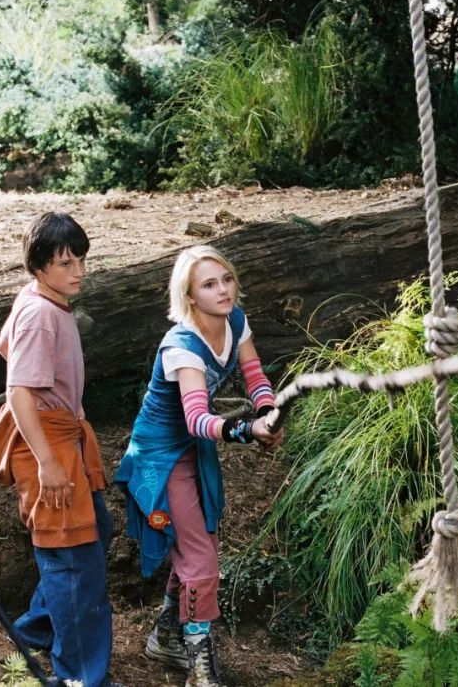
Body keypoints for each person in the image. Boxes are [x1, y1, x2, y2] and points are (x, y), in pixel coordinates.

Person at [115, 245, 284, 687]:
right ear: (189, 296)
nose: (223, 290)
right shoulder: (181, 345)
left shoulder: (236, 320)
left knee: (200, 546)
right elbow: (195, 416)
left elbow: (254, 374)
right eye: (209, 284)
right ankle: (199, 668)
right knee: (202, 562)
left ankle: (166, 635)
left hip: (196, 447)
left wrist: (268, 411)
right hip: (160, 454)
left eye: (226, 279)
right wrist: (247, 431)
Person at [0, 211, 116, 687]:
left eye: (81, 259)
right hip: (48, 440)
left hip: (61, 432)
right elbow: (19, 390)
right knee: (75, 562)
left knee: (94, 530)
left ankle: (35, 629)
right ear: (38, 266)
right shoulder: (41, 314)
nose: (77, 271)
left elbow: (5, 345)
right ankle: (81, 677)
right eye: (64, 263)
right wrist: (48, 463)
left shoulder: (38, 298)